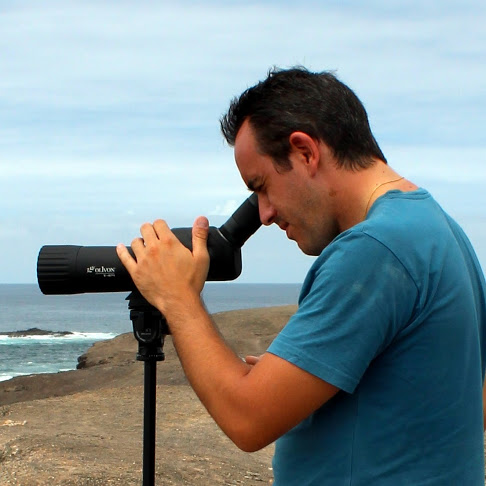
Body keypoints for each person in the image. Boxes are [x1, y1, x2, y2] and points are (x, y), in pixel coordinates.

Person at [116, 67, 486, 485]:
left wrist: (177, 296)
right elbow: (471, 397)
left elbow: (247, 419)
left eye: (262, 186)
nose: (266, 213)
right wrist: (310, 377)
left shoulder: (373, 250)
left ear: (305, 152)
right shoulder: (441, 230)